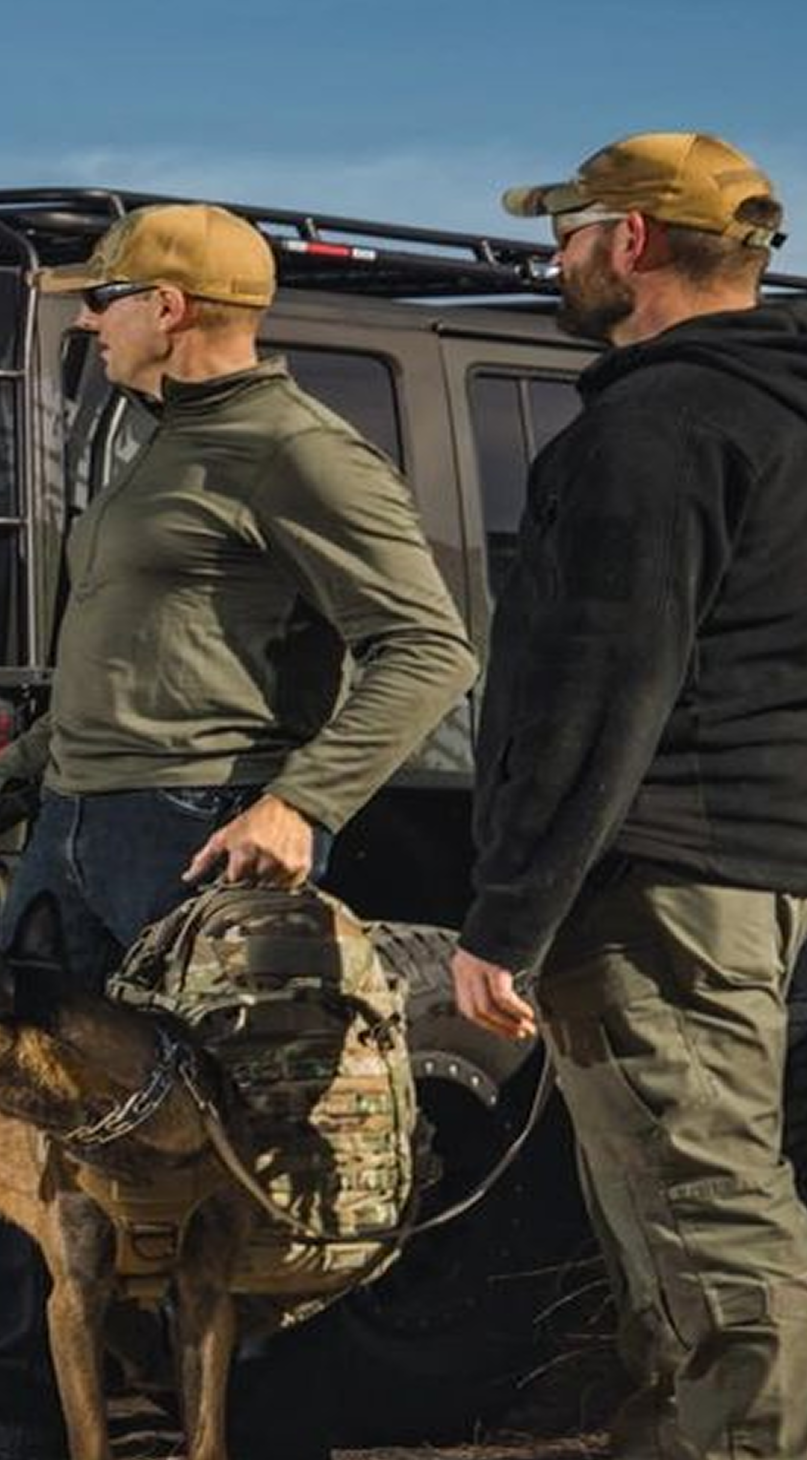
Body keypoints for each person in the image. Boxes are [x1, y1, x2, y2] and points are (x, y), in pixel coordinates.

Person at [0, 204, 478, 1460]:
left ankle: (260, 1429)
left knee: (237, 1144)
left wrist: (302, 798)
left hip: (204, 834)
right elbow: (112, 675)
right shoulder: (150, 445)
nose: (85, 317)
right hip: (71, 826)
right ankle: (21, 1423)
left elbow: (426, 647)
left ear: (166, 307)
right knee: (31, 1120)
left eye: (100, 297)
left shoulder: (297, 450)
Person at [451, 132, 807, 1460]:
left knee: (709, 1225)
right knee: (698, 1211)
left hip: (661, 882)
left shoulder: (654, 427)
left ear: (635, 242)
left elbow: (600, 686)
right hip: (761, 877)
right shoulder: (776, 411)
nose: (559, 254)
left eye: (572, 229)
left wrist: (509, 918)